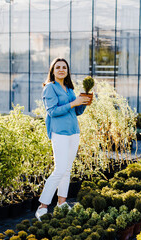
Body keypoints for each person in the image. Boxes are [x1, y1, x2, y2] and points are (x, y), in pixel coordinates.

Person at [35, 57, 90, 221]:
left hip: (74, 132)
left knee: (67, 169)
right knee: (59, 169)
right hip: (59, 133)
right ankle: (42, 206)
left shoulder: (69, 89)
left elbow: (77, 112)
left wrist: (83, 102)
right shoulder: (50, 88)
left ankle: (61, 203)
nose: (61, 70)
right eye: (57, 67)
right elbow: (52, 111)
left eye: (64, 67)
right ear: (52, 70)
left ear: (67, 71)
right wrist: (74, 103)